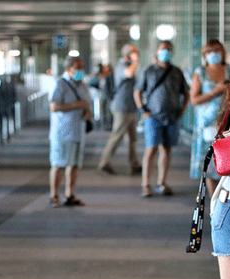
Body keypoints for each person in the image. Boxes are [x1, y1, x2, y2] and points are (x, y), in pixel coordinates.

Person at [134, 41, 189, 197]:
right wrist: (142, 109)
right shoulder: (149, 70)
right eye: (163, 49)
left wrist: (183, 110)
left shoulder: (177, 72)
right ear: (157, 51)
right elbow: (137, 91)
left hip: (171, 116)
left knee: (166, 148)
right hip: (153, 116)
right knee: (151, 149)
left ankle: (161, 182)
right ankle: (145, 184)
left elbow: (186, 93)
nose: (166, 52)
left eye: (169, 50)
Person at [48, 56, 92, 208]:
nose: (81, 70)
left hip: (78, 131)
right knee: (58, 164)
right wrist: (75, 105)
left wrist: (87, 112)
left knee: (74, 165)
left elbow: (87, 105)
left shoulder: (83, 86)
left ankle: (70, 195)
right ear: (68, 69)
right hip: (61, 131)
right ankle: (54, 195)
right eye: (77, 67)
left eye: (82, 66)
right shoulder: (59, 84)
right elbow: (53, 107)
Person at [189, 39, 230, 195]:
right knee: (211, 165)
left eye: (217, 50)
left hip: (227, 123)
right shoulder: (200, 72)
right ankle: (214, 202)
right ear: (204, 55)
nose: (213, 54)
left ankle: (225, 198)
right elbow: (194, 99)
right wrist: (215, 91)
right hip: (207, 125)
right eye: (209, 51)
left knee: (227, 162)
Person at [97, 44, 141, 176]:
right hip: (122, 107)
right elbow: (129, 73)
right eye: (134, 53)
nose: (136, 55)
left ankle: (135, 164)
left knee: (132, 138)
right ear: (127, 55)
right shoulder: (122, 66)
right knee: (117, 135)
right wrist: (136, 61)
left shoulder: (128, 65)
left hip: (130, 107)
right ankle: (104, 162)